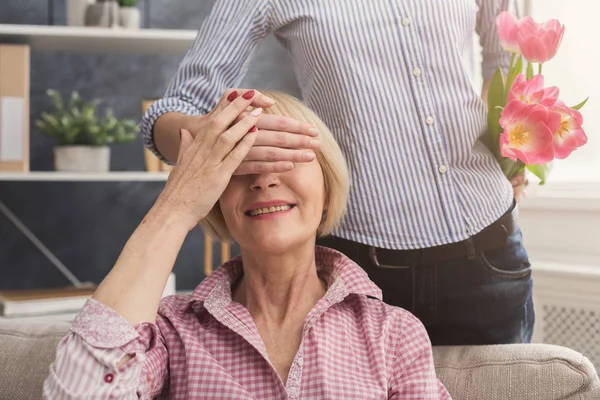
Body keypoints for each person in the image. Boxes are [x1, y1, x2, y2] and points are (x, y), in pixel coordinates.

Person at [141, 0, 532, 346]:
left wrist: (515, 156)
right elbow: (171, 110)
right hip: (362, 269)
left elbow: (509, 63)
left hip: (488, 250)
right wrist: (227, 139)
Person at [43, 91, 451, 399]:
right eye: (241, 162)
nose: (263, 178)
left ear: (327, 186)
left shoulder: (393, 334)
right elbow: (79, 392)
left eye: (286, 155)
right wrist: (177, 204)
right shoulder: (170, 332)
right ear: (215, 197)